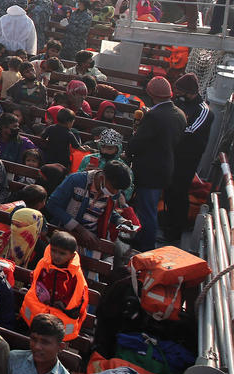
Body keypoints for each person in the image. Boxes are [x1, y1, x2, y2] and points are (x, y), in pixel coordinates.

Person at [127, 76, 185, 251]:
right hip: (165, 168)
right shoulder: (180, 114)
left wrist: (128, 152)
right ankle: (142, 239)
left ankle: (146, 247)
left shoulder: (154, 116)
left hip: (149, 171)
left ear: (151, 94)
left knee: (147, 211)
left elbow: (139, 141)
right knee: (148, 208)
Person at [164, 73, 213, 241]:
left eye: (181, 91)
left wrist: (170, 131)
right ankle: (168, 222)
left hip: (187, 159)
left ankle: (176, 230)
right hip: (173, 155)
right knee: (169, 189)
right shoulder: (178, 103)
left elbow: (191, 130)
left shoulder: (204, 111)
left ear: (190, 92)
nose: (178, 94)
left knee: (180, 191)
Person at [46, 159, 132, 251]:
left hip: (92, 240)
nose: (115, 192)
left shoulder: (113, 193)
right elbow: (52, 205)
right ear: (102, 177)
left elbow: (105, 211)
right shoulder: (76, 180)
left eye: (118, 190)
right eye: (114, 187)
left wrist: (120, 220)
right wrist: (80, 229)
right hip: (65, 235)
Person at [20, 232, 89, 341]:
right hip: (40, 309)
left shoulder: (75, 274)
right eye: (53, 250)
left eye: (62, 253)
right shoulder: (44, 263)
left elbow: (77, 296)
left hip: (60, 316)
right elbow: (35, 279)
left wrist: (63, 304)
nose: (56, 256)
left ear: (71, 255)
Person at [6, 313, 72, 374]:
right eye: (34, 339)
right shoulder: (14, 359)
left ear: (60, 347)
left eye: (45, 342)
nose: (37, 347)